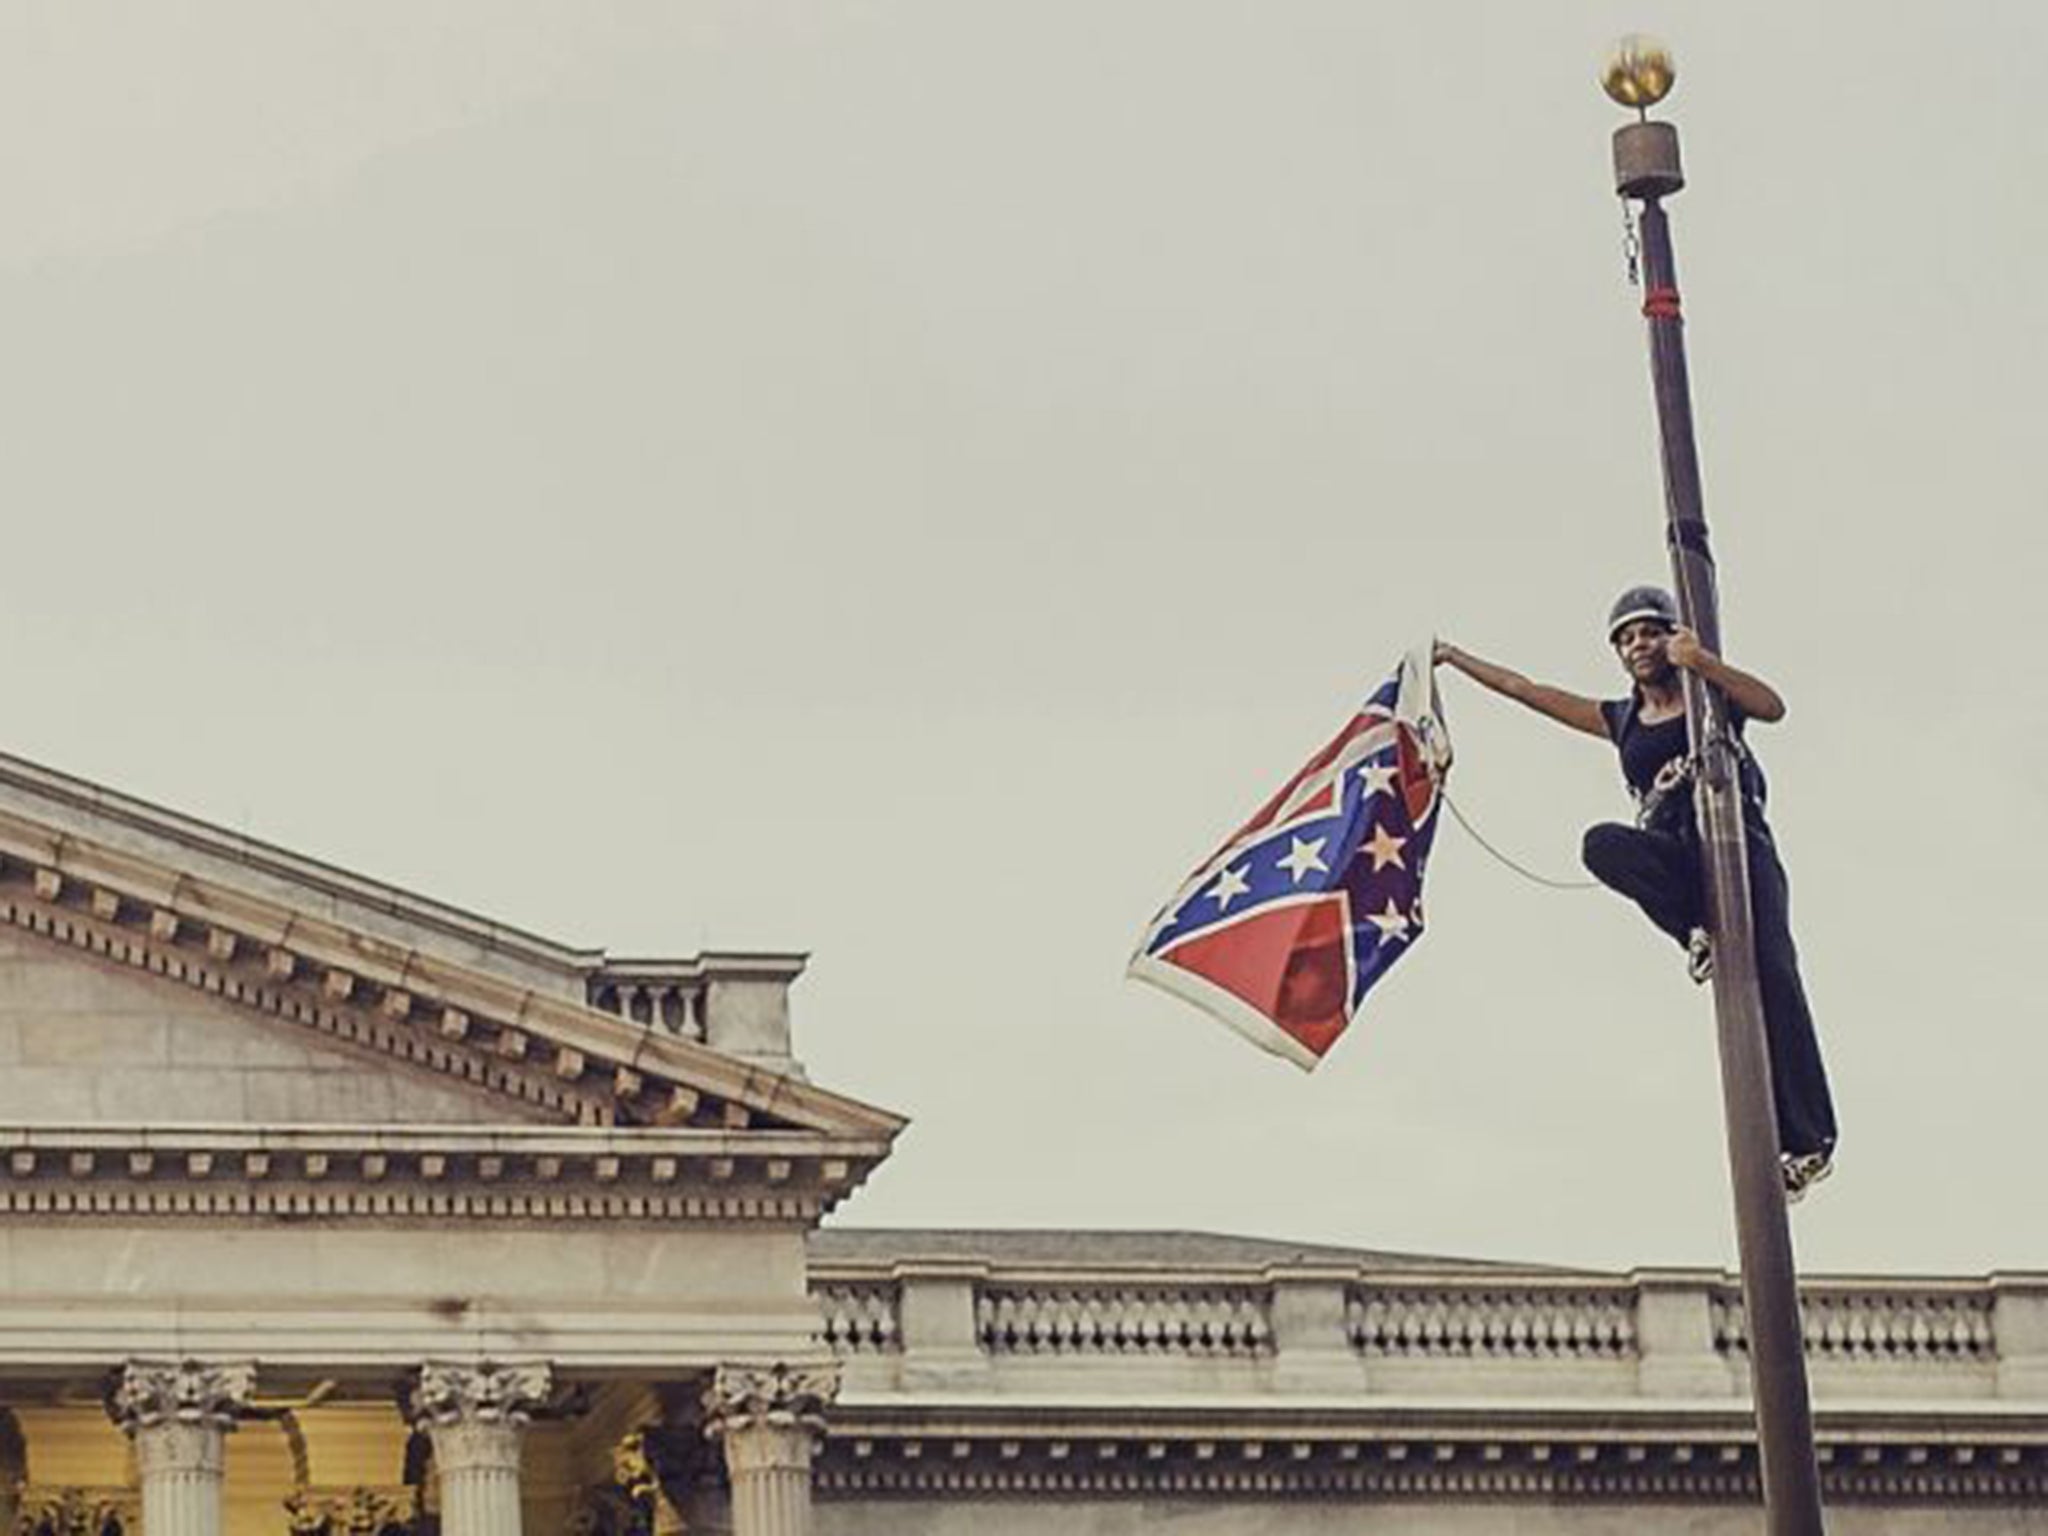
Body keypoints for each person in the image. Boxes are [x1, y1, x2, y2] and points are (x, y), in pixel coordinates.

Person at [1433, 586, 1837, 1201]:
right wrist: (1456, 658)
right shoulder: (1620, 719)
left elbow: (1773, 706)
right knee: (1602, 843)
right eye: (1625, 638)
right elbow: (1528, 690)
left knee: (1776, 976)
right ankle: (1694, 931)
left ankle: (1808, 1142)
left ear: (1672, 635)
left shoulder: (1710, 698)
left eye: (1648, 632)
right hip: (1672, 848)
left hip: (1737, 842)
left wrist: (1702, 663)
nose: (1637, 645)